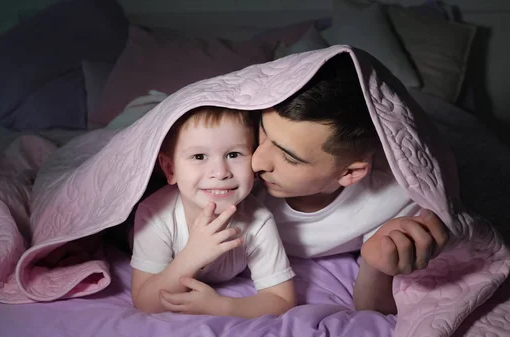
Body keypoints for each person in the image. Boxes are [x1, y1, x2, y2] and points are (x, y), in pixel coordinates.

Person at [160, 53, 449, 315]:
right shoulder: (229, 167)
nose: (256, 162)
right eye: (262, 133)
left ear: (349, 173)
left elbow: (374, 307)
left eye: (288, 156)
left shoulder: (394, 200)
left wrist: (375, 266)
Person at [130, 106, 296, 318]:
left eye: (234, 154)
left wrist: (223, 307)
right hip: (136, 218)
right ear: (171, 170)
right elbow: (146, 302)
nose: (220, 172)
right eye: (199, 156)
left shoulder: (258, 220)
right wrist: (192, 256)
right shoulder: (154, 213)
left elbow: (282, 299)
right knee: (118, 228)